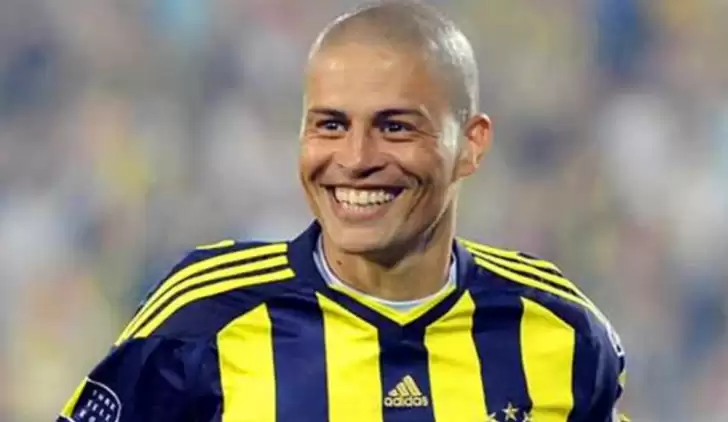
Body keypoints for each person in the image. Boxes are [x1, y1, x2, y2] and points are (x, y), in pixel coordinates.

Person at [57, 1, 627, 421]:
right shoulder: (200, 319)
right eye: (331, 125)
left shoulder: (562, 330)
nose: (356, 159)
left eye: (395, 127)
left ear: (471, 145)